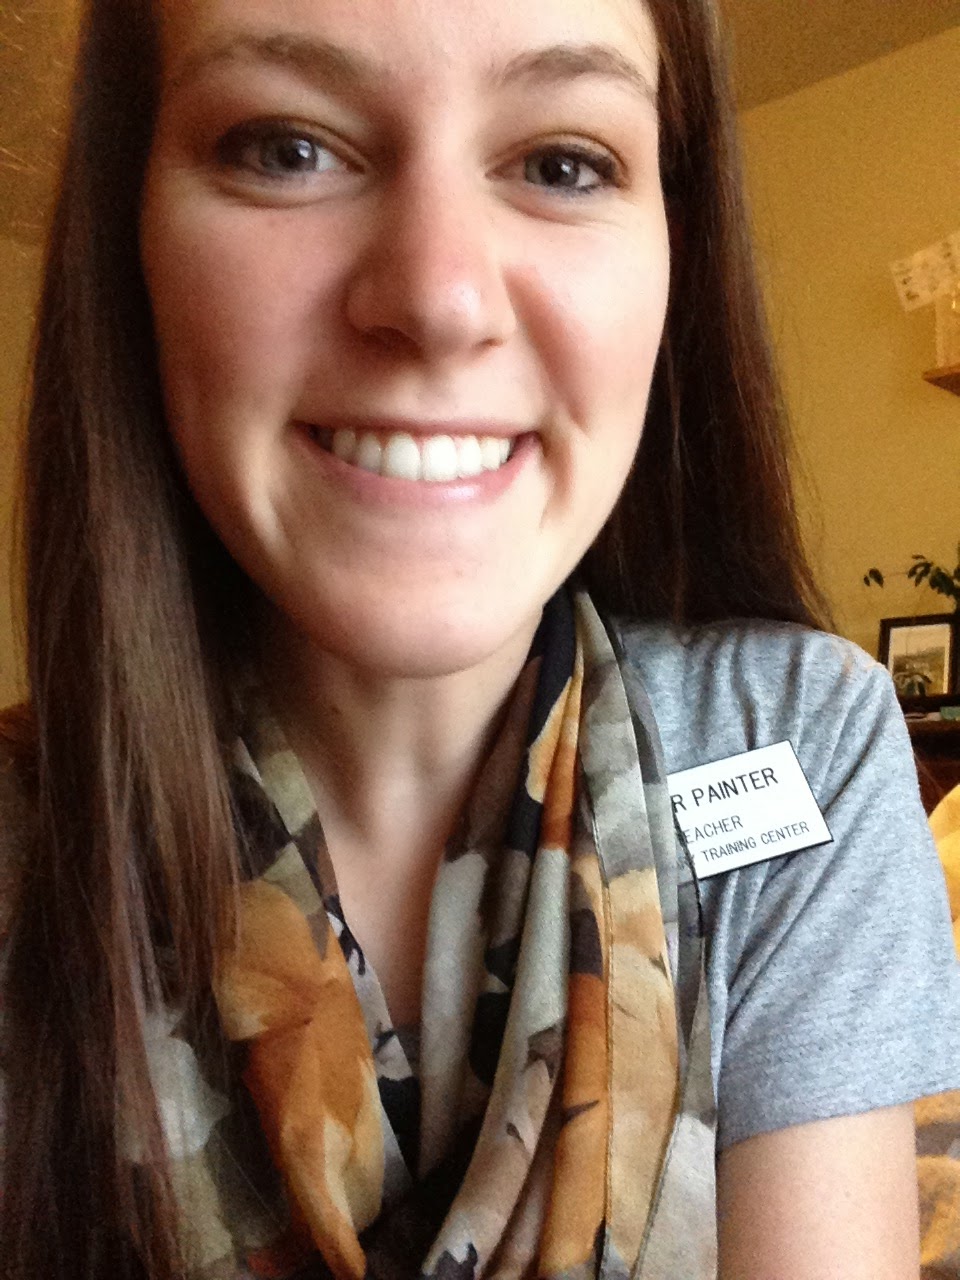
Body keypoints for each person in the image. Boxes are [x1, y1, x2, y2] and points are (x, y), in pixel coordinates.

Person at [2, 0, 959, 1276]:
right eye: (288, 147)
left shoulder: (798, 734)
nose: (440, 298)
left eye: (563, 163)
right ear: (129, 233)